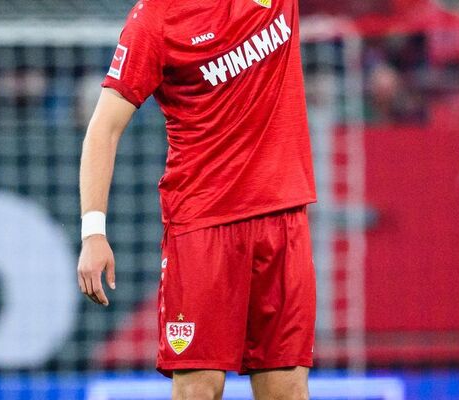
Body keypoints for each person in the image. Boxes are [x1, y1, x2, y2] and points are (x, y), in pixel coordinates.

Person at [75, 0, 316, 399]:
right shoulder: (157, 18)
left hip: (283, 215)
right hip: (203, 225)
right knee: (199, 388)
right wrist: (93, 233)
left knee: (288, 388)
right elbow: (104, 129)